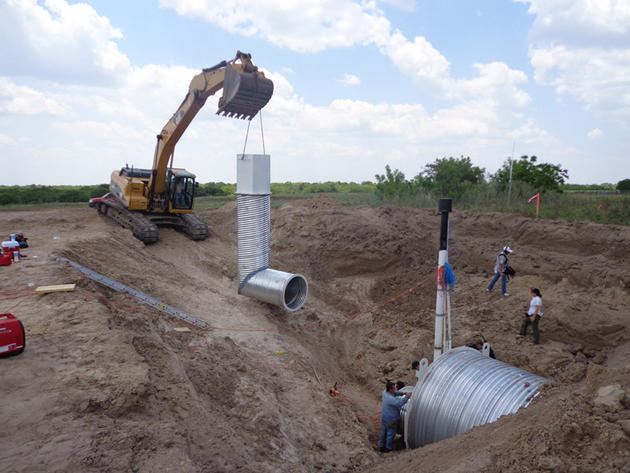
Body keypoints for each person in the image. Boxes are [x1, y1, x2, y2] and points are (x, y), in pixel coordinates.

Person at [377, 381, 411, 453]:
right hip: (391, 420)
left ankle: (381, 445)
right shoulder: (390, 399)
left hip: (384, 418)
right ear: (390, 389)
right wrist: (407, 397)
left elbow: (394, 393)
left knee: (383, 432)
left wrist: (402, 393)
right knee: (390, 434)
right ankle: (388, 448)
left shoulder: (385, 392)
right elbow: (399, 403)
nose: (395, 389)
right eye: (394, 388)